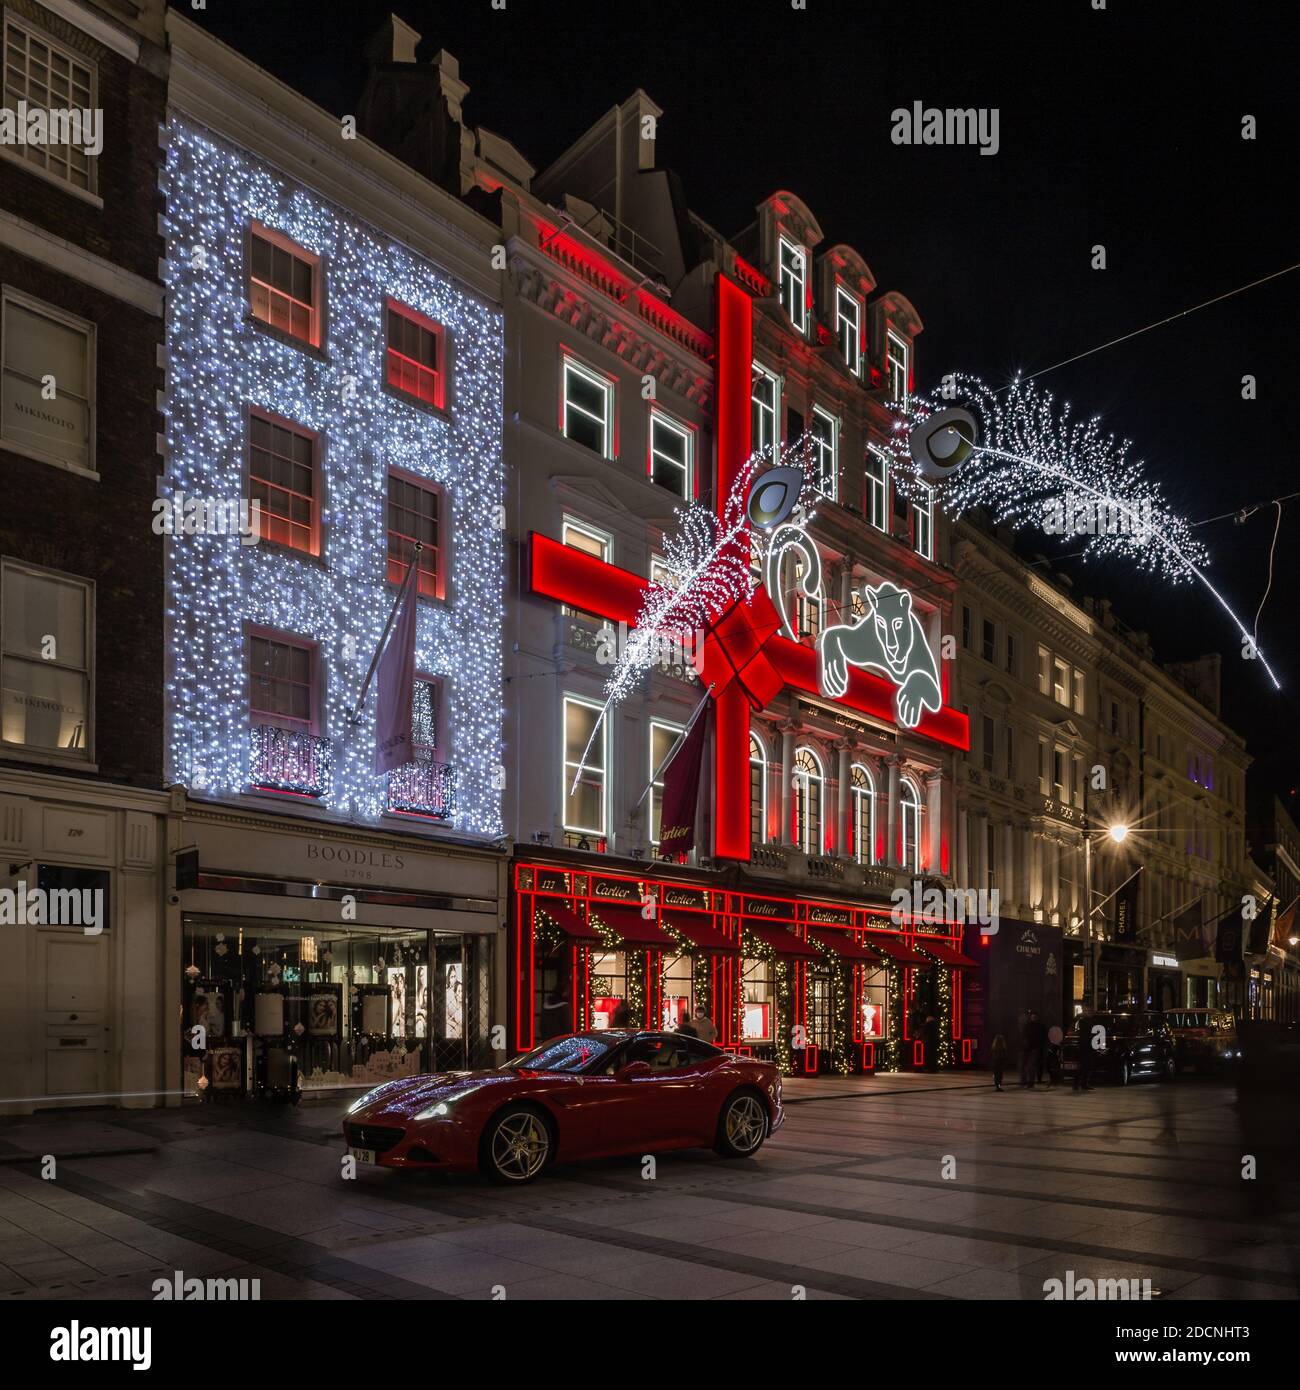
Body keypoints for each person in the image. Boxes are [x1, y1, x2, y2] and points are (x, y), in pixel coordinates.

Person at [1020, 1009, 1046, 1088]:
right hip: (1027, 1048)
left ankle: (1030, 1082)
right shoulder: (1027, 1025)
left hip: (1034, 1048)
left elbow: (1043, 1037)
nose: (1034, 1018)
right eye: (1032, 1017)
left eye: (1035, 1017)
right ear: (1031, 1017)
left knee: (1031, 1066)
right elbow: (1023, 1036)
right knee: (1023, 1066)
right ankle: (1024, 1081)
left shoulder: (1040, 1026)